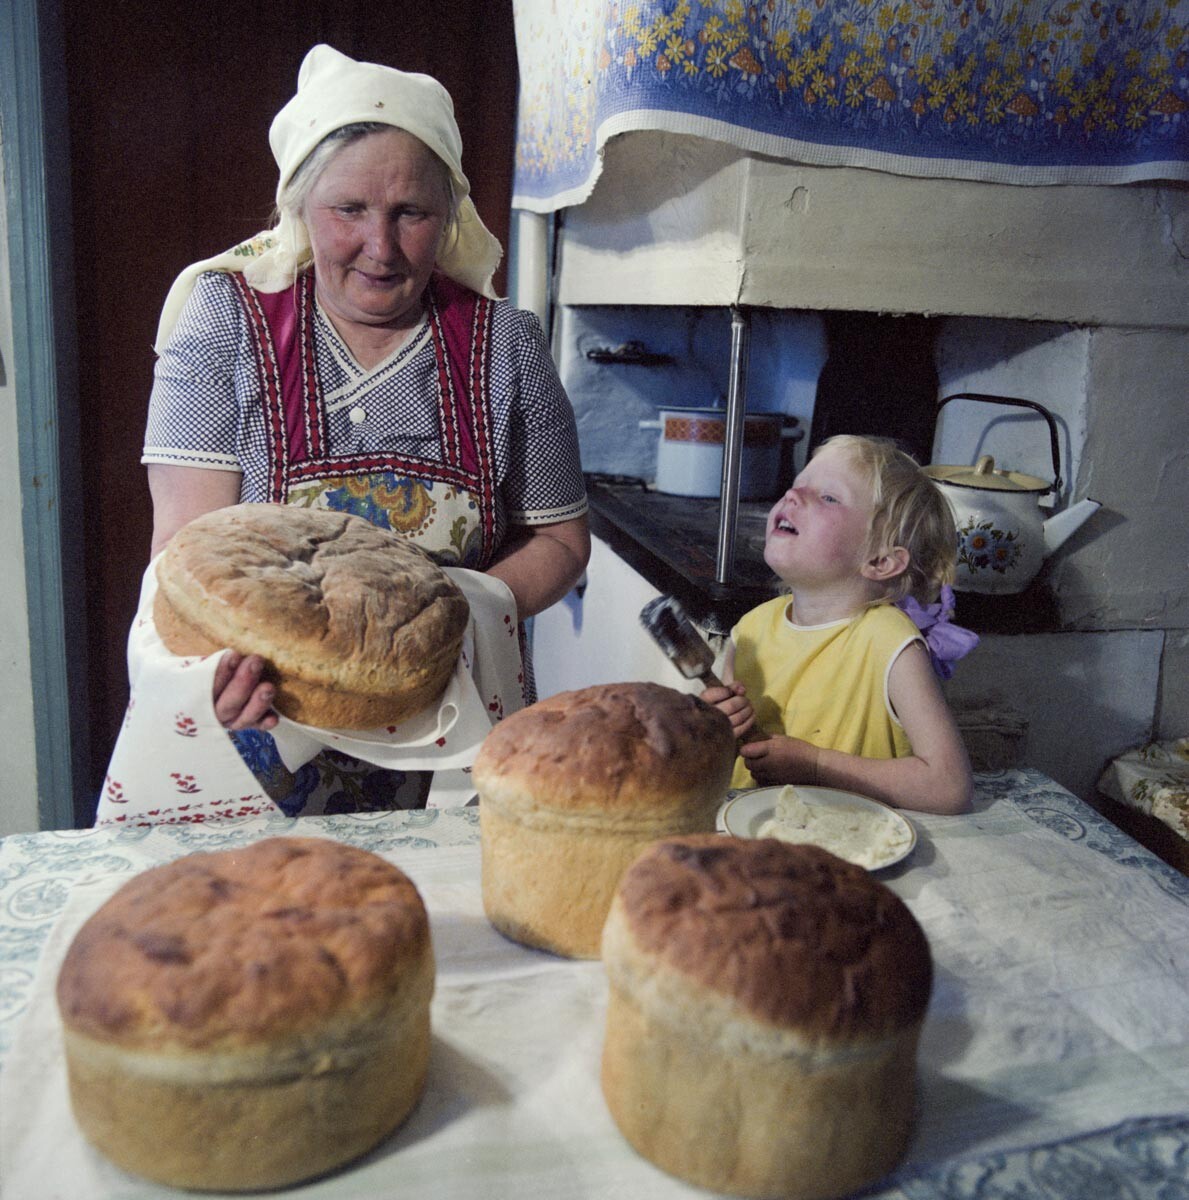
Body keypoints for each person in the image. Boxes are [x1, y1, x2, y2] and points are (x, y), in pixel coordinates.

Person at [140, 44, 589, 810]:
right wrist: (215, 676)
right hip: (271, 725)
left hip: (456, 724)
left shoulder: (506, 345)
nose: (379, 249)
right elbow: (186, 552)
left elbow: (560, 541)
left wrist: (448, 615)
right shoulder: (223, 327)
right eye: (349, 210)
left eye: (410, 213)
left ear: (448, 215)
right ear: (299, 207)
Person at [700, 434, 976, 815]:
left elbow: (950, 788)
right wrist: (710, 730)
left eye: (828, 497)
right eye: (797, 486)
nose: (793, 496)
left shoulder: (890, 643)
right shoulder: (750, 630)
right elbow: (712, 763)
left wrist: (816, 765)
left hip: (853, 845)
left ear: (880, 561)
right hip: (754, 839)